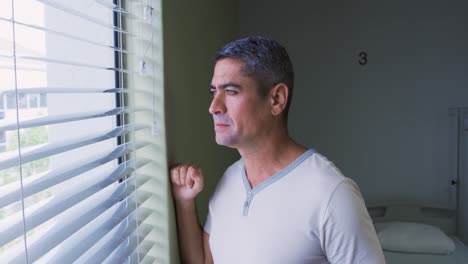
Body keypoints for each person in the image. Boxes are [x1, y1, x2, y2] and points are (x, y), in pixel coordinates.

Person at [170, 36, 385, 264]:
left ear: (276, 99)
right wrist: (185, 203)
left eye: (231, 91)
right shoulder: (229, 181)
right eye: (214, 92)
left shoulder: (332, 195)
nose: (214, 107)